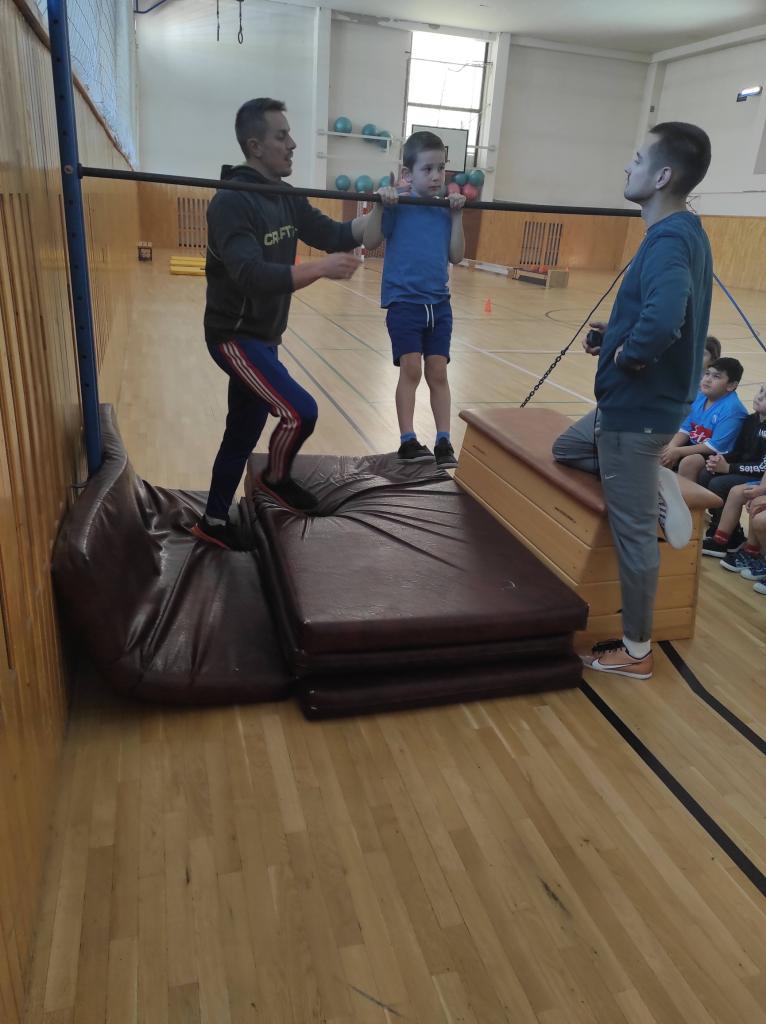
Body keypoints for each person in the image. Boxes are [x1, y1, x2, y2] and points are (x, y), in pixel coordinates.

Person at [552, 121, 713, 679]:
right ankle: (654, 482)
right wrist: (614, 337)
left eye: (639, 159)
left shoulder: (668, 238)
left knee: (634, 533)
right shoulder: (684, 230)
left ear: (662, 176)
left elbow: (666, 319)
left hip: (637, 415)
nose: (629, 165)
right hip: (634, 411)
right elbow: (661, 311)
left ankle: (637, 651)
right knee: (568, 447)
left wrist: (629, 356)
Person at [192, 98, 369, 549]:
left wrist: (387, 208)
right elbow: (250, 275)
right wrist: (322, 268)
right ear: (255, 146)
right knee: (299, 411)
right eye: (281, 135)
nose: (292, 144)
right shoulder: (232, 202)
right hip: (234, 336)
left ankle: (212, 521)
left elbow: (338, 234)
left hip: (265, 337)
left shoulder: (286, 197)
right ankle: (276, 478)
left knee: (243, 431)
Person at [363, 131, 466, 467]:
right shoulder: (400, 205)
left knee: (438, 372)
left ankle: (443, 440)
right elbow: (369, 241)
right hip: (404, 303)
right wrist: (380, 205)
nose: (436, 176)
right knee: (411, 369)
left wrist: (457, 216)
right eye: (427, 169)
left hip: (439, 305)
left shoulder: (443, 209)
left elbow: (456, 256)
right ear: (408, 173)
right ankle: (408, 440)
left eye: (441, 169)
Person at [699, 382, 766, 554]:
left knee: (720, 484)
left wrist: (729, 468)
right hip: (744, 469)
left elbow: (762, 466)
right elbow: (738, 451)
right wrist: (719, 460)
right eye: (761, 391)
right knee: (706, 474)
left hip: (759, 476)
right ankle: (720, 527)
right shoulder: (750, 420)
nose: (759, 397)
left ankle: (728, 538)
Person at [662, 357, 748, 479]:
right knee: (662, 448)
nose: (708, 379)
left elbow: (714, 447)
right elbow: (685, 429)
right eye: (707, 373)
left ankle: (686, 491)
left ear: (731, 385)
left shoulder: (733, 409)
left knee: (690, 461)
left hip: (718, 455)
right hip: (697, 445)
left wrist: (678, 451)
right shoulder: (700, 397)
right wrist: (672, 447)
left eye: (716, 376)